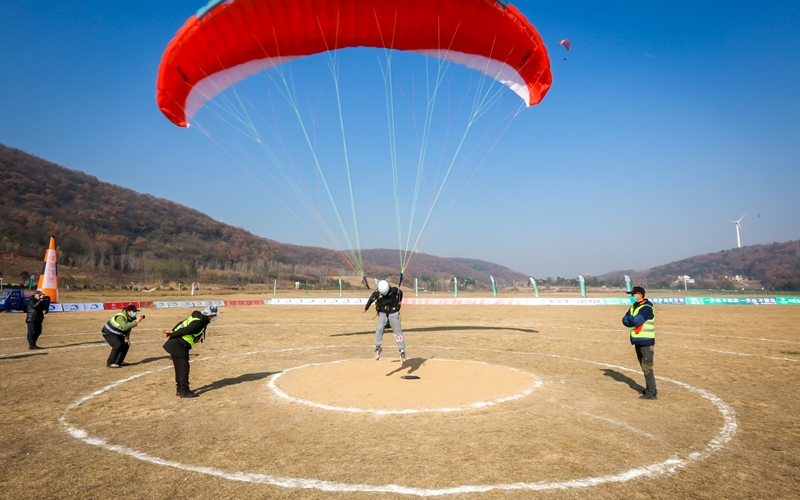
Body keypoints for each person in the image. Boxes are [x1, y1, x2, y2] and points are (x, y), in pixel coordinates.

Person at [162, 305, 219, 398]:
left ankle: (180, 390)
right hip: (179, 345)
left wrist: (172, 331)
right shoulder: (199, 322)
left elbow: (182, 323)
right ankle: (184, 391)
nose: (213, 317)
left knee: (180, 368)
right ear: (208, 314)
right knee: (183, 369)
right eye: (213, 315)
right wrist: (172, 334)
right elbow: (186, 330)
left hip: (177, 344)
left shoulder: (198, 317)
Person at [622, 286, 657, 400]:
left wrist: (631, 319)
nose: (631, 296)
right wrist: (631, 319)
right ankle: (649, 389)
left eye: (633, 294)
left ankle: (651, 392)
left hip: (646, 340)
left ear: (639, 294)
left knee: (647, 367)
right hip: (637, 340)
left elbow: (636, 320)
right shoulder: (634, 307)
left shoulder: (646, 307)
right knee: (643, 366)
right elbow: (624, 320)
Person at [363, 280, 406, 363]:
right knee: (379, 328)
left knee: (398, 331)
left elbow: (400, 293)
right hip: (382, 312)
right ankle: (378, 347)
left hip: (393, 311)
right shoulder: (377, 293)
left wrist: (399, 301)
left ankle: (401, 350)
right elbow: (371, 300)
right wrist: (365, 308)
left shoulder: (394, 290)